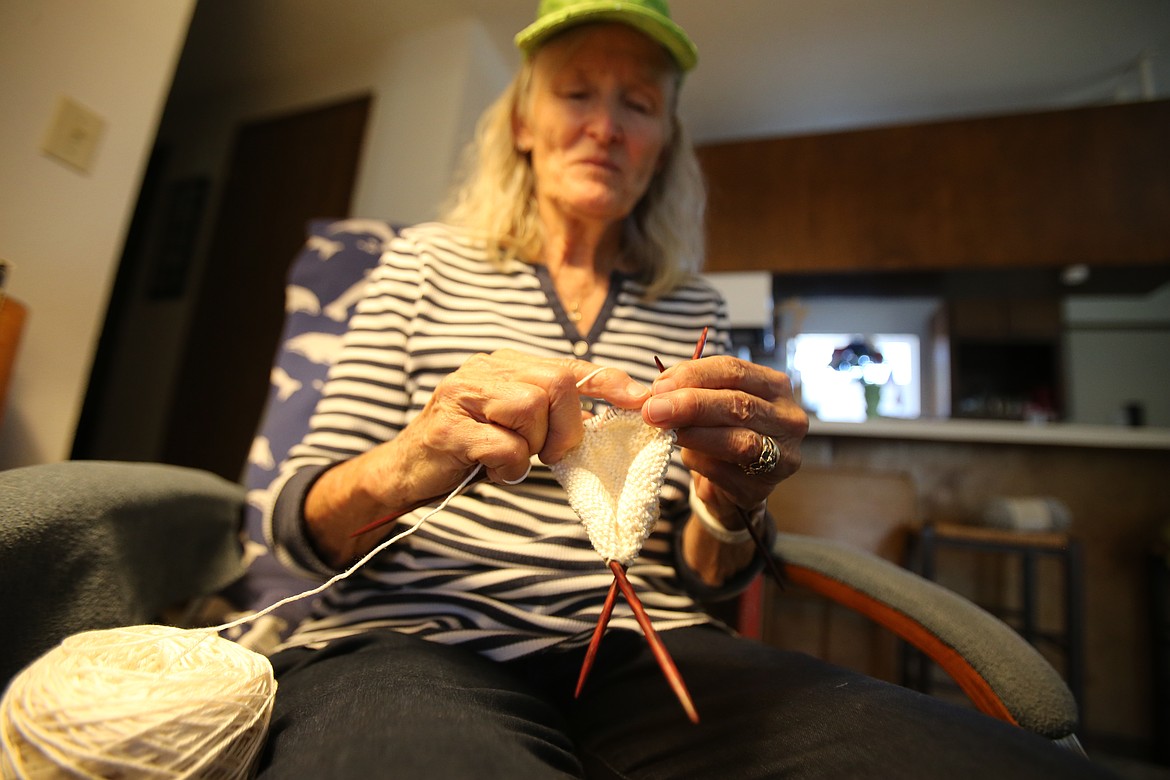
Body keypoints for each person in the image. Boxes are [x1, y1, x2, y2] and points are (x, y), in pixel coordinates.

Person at [256, 1, 1109, 777]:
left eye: (637, 104)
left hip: (650, 648)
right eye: (576, 94)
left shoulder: (694, 310)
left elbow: (708, 577)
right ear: (522, 120)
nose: (604, 128)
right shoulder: (420, 265)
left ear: (664, 139)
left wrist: (735, 498)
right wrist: (418, 451)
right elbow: (297, 524)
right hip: (411, 644)